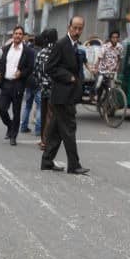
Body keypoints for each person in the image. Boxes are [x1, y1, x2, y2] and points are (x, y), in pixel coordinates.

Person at [42, 16, 89, 175]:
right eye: (75, 28)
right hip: (62, 95)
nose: (77, 31)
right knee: (69, 129)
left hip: (69, 95)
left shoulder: (76, 45)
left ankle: (47, 161)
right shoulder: (61, 44)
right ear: (69, 27)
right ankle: (74, 165)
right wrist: (68, 77)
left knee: (56, 131)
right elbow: (49, 67)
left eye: (80, 28)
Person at [0, 26, 35, 145]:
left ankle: (13, 136)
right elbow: (2, 63)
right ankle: (10, 125)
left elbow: (30, 68)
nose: (18, 35)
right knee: (1, 108)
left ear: (23, 36)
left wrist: (21, 73)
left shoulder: (28, 51)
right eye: (16, 33)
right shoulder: (6, 48)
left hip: (18, 84)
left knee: (16, 111)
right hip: (6, 83)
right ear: (12, 35)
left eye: (20, 34)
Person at [33, 28, 57, 151]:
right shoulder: (57, 51)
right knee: (50, 115)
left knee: (44, 114)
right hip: (55, 88)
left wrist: (41, 83)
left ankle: (43, 139)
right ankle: (46, 141)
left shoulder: (41, 53)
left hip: (43, 88)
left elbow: (36, 71)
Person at [18, 34, 41, 135]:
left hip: (28, 81)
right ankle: (38, 130)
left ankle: (23, 126)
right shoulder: (42, 52)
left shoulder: (28, 51)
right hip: (38, 82)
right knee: (39, 106)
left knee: (28, 105)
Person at [93, 30, 124, 104]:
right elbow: (99, 58)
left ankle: (110, 101)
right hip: (103, 70)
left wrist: (117, 66)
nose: (115, 39)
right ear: (110, 38)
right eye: (113, 37)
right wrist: (96, 68)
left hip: (113, 71)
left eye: (116, 37)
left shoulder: (120, 47)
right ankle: (95, 94)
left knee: (112, 86)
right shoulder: (105, 47)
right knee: (99, 83)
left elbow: (119, 58)